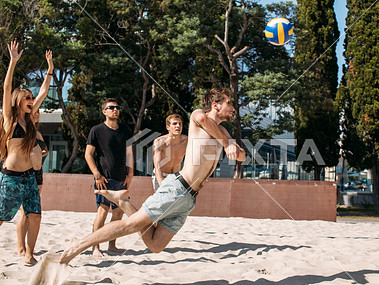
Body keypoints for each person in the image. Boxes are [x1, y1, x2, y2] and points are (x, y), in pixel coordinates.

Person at [59, 88, 245, 264]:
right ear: (215, 104)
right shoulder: (198, 115)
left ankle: (123, 202)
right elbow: (203, 119)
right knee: (130, 225)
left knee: (155, 245)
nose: (232, 108)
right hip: (178, 188)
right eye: (228, 103)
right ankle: (79, 244)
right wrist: (227, 143)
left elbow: (242, 155)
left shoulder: (224, 133)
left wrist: (231, 145)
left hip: (189, 199)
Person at [0, 41, 53, 265]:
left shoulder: (31, 120)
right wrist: (12, 62)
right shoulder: (10, 120)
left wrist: (50, 69)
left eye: (32, 98)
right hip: (10, 177)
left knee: (36, 216)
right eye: (28, 98)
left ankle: (29, 253)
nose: (32, 101)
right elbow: (6, 88)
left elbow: (44, 90)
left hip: (29, 177)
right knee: (1, 219)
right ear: (18, 101)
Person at [85, 98, 133, 257]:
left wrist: (130, 173)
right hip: (104, 179)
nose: (115, 110)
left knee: (118, 214)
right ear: (104, 111)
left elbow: (129, 153)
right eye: (111, 107)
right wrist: (97, 175)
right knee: (103, 212)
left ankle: (112, 245)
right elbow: (88, 155)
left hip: (121, 179)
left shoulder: (125, 130)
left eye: (117, 107)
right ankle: (95, 247)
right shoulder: (96, 130)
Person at [16, 111, 48, 257]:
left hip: (38, 172)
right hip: (25, 172)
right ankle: (20, 246)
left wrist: (39, 154)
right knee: (24, 213)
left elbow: (45, 151)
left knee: (32, 212)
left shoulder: (38, 134)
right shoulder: (21, 130)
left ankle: (28, 247)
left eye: (38, 113)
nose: (36, 115)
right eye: (34, 112)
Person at [152, 114, 187, 191]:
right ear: (168, 127)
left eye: (180, 124)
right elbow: (158, 167)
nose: (178, 126)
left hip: (176, 176)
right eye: (174, 123)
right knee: (162, 201)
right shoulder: (160, 142)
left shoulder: (186, 141)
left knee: (177, 202)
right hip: (161, 174)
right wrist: (162, 186)